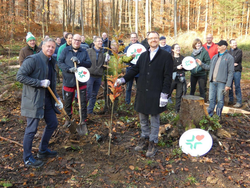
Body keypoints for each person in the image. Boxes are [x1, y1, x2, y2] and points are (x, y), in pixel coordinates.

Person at [115, 31, 173, 157]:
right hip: (142, 91)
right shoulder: (143, 55)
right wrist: (123, 79)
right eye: (151, 38)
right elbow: (135, 69)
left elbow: (168, 77)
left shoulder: (166, 56)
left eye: (155, 38)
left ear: (158, 40)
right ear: (147, 40)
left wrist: (165, 94)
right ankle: (144, 138)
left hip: (156, 92)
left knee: (154, 119)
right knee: (142, 118)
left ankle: (153, 142)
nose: (153, 40)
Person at [16, 38, 63, 168]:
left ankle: (42, 150)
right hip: (34, 100)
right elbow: (20, 76)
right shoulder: (33, 60)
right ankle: (27, 158)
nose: (50, 49)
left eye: (53, 47)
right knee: (31, 130)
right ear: (42, 46)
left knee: (53, 123)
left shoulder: (51, 61)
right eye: (48, 46)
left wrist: (57, 98)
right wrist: (39, 83)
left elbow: (52, 84)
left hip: (47, 100)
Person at [58, 34, 91, 134]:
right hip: (69, 81)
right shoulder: (65, 50)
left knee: (83, 102)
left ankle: (83, 120)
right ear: (71, 40)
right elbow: (60, 62)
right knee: (68, 102)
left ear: (81, 42)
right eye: (75, 40)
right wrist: (69, 69)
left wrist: (80, 62)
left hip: (81, 81)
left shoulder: (84, 51)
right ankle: (68, 119)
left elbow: (89, 64)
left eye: (79, 40)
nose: (76, 42)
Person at [196, 40, 234, 117]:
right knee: (211, 99)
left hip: (222, 83)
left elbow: (231, 72)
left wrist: (228, 85)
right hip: (212, 82)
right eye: (218, 45)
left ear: (224, 47)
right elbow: (209, 67)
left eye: (219, 46)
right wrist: (201, 64)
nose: (218, 47)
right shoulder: (214, 57)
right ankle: (209, 116)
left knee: (220, 100)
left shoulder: (229, 58)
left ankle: (218, 117)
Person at [86, 37, 108, 114]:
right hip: (89, 76)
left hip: (98, 76)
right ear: (94, 42)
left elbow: (104, 66)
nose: (100, 42)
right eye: (98, 41)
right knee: (88, 94)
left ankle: (90, 111)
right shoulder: (88, 51)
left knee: (94, 95)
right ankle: (83, 110)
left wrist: (106, 61)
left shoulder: (103, 54)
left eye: (101, 41)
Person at [169, 44, 186, 113]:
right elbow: (167, 69)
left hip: (180, 79)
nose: (178, 49)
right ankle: (162, 109)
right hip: (171, 79)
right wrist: (176, 68)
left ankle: (177, 110)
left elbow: (186, 68)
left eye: (179, 47)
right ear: (173, 49)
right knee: (167, 93)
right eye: (176, 48)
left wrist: (191, 66)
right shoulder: (169, 58)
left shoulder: (183, 58)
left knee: (179, 95)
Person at [124, 32, 140, 104]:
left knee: (139, 88)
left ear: (137, 38)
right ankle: (127, 103)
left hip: (139, 70)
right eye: (132, 37)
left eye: (134, 37)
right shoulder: (127, 48)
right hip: (130, 69)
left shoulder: (141, 47)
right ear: (130, 39)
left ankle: (139, 102)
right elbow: (124, 59)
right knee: (128, 87)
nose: (133, 39)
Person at [203, 34, 218, 102]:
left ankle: (212, 98)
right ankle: (204, 97)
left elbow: (218, 56)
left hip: (213, 66)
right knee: (204, 82)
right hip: (205, 66)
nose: (208, 39)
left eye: (210, 38)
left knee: (212, 81)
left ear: (212, 38)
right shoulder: (203, 46)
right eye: (207, 38)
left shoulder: (216, 46)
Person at [228, 39, 243, 108]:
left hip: (237, 71)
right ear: (230, 44)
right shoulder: (228, 52)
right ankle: (231, 100)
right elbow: (227, 61)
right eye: (233, 43)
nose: (235, 44)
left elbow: (236, 60)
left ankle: (239, 102)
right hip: (229, 71)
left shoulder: (239, 51)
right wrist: (232, 63)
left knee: (237, 86)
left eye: (235, 43)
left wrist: (230, 62)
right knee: (229, 86)